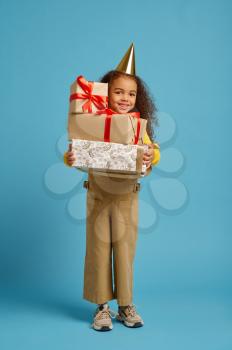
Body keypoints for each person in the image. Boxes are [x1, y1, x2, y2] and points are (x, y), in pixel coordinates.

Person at [64, 44, 160, 331]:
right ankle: (102, 306)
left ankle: (126, 305)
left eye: (131, 93)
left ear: (137, 98)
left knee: (125, 251)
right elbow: (80, 152)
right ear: (106, 92)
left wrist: (149, 155)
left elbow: (153, 152)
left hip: (126, 197)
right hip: (97, 194)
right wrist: (69, 158)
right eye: (118, 92)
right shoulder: (92, 122)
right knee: (98, 249)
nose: (125, 98)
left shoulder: (137, 125)